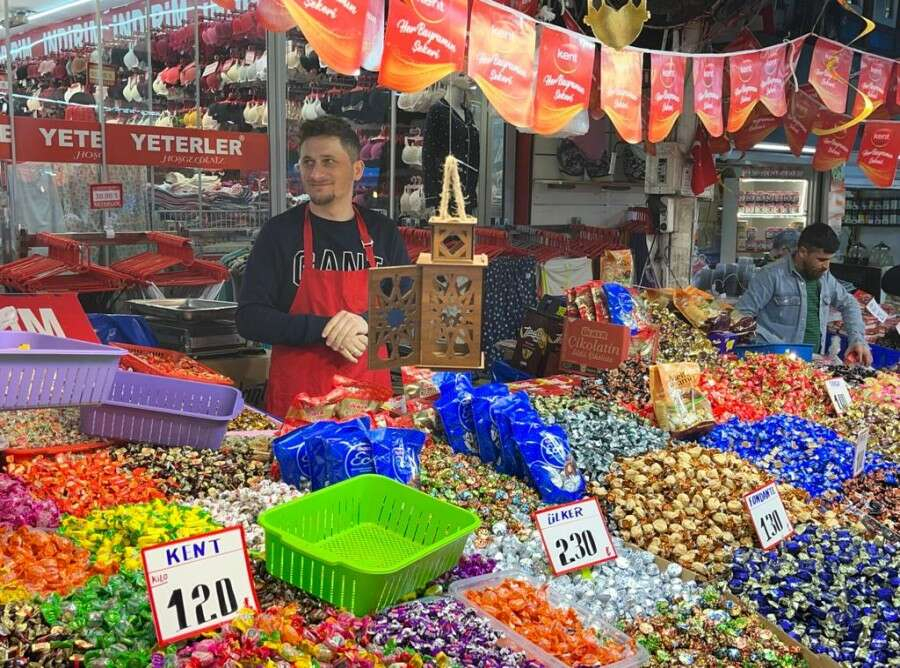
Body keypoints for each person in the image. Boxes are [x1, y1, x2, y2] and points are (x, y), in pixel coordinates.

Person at [237, 116, 409, 418]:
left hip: (368, 408)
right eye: (308, 162)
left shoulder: (383, 233)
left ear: (357, 169)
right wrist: (327, 328)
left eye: (329, 162)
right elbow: (250, 318)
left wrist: (366, 322)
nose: (316, 174)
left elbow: (407, 312)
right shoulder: (279, 233)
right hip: (298, 410)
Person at [736, 223, 873, 365]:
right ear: (802, 252)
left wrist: (857, 339)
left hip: (815, 363)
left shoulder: (824, 277)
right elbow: (740, 315)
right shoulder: (771, 275)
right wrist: (777, 347)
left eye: (829, 260)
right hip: (778, 364)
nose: (826, 266)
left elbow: (849, 303)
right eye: (821, 259)